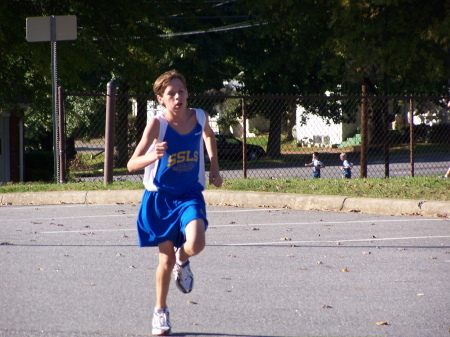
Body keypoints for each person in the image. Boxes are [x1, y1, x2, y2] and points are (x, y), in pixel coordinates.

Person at [127, 69, 223, 336]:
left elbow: (209, 136)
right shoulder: (158, 125)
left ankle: (184, 258)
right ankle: (160, 311)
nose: (178, 97)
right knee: (165, 260)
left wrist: (214, 167)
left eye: (181, 91)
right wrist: (152, 156)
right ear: (161, 99)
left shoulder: (199, 116)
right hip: (160, 198)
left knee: (196, 243)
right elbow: (131, 164)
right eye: (171, 93)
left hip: (189, 193)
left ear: (187, 93)